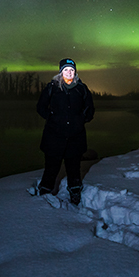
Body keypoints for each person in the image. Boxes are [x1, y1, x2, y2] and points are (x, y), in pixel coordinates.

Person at [35, 58, 95, 205]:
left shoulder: (82, 88)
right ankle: (44, 191)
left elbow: (90, 109)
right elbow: (41, 107)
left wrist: (81, 120)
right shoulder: (52, 87)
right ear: (61, 72)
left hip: (75, 137)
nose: (69, 72)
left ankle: (75, 193)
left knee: (74, 168)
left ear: (75, 72)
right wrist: (52, 118)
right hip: (54, 135)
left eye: (72, 70)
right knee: (51, 168)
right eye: (66, 70)